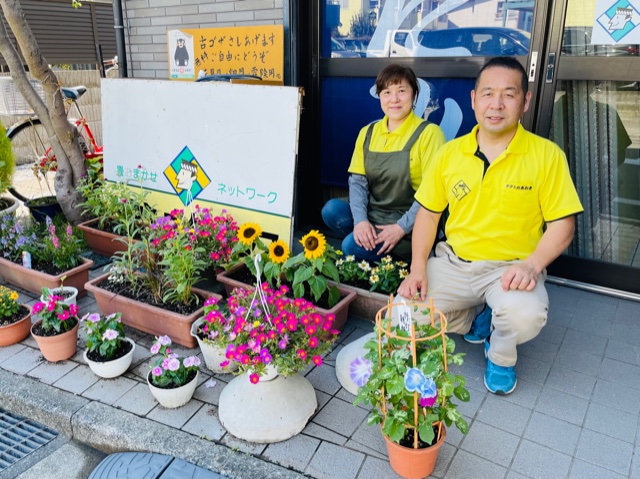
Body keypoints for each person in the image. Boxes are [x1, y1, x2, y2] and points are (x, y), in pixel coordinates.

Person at [397, 57, 584, 395]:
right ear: (473, 100)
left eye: (509, 95)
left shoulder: (547, 156)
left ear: (525, 102)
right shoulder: (450, 153)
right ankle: (477, 317)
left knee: (523, 316)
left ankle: (500, 355)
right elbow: (428, 214)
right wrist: (417, 268)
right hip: (455, 263)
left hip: (511, 271)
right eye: (487, 94)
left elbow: (563, 226)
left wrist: (532, 265)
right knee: (404, 314)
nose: (496, 104)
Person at [321, 64, 446, 263]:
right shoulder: (368, 132)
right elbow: (357, 182)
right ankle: (372, 243)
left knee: (349, 245)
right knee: (331, 210)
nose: (394, 99)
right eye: (387, 92)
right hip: (374, 213)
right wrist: (361, 222)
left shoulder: (429, 134)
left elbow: (433, 194)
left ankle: (397, 255)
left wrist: (400, 228)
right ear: (379, 96)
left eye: (402, 91)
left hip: (410, 222)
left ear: (414, 95)